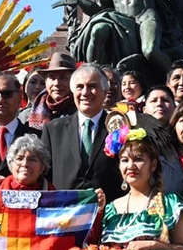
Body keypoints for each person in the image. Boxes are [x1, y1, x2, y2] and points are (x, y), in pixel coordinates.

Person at [101, 131, 183, 250]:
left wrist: (152, 245)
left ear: (153, 165)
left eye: (138, 159)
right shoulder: (110, 209)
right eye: (125, 160)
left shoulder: (171, 203)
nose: (131, 166)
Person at [40, 64, 122, 194]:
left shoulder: (119, 127)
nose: (85, 93)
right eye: (80, 87)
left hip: (108, 210)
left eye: (92, 86)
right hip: (64, 210)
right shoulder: (53, 130)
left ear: (105, 92)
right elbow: (43, 175)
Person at [22, 52, 77, 130]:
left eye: (63, 78)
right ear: (46, 82)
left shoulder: (83, 112)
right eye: (52, 78)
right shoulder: (26, 115)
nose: (57, 83)